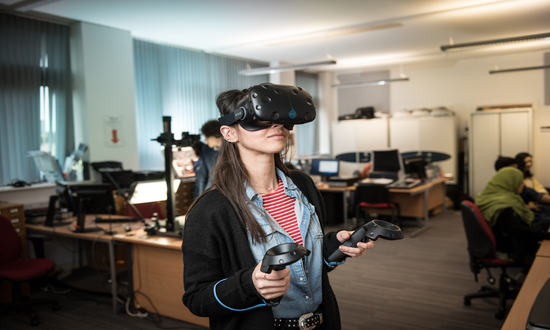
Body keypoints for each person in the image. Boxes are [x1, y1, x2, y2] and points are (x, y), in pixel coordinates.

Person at [181, 86, 375, 330]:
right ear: (229, 133)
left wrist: (335, 245)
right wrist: (251, 285)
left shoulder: (303, 185)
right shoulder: (210, 210)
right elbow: (197, 299)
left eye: (279, 118)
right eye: (259, 119)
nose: (276, 125)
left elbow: (306, 266)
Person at [475, 167, 550, 265]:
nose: (523, 185)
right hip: (510, 248)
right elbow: (518, 231)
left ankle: (524, 275)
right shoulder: (503, 205)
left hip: (507, 241)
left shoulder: (489, 196)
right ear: (510, 182)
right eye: (520, 182)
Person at [193, 120, 222, 198]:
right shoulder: (206, 149)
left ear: (218, 136)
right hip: (210, 193)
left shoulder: (233, 149)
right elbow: (201, 177)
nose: (205, 140)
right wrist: (198, 198)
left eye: (207, 136)